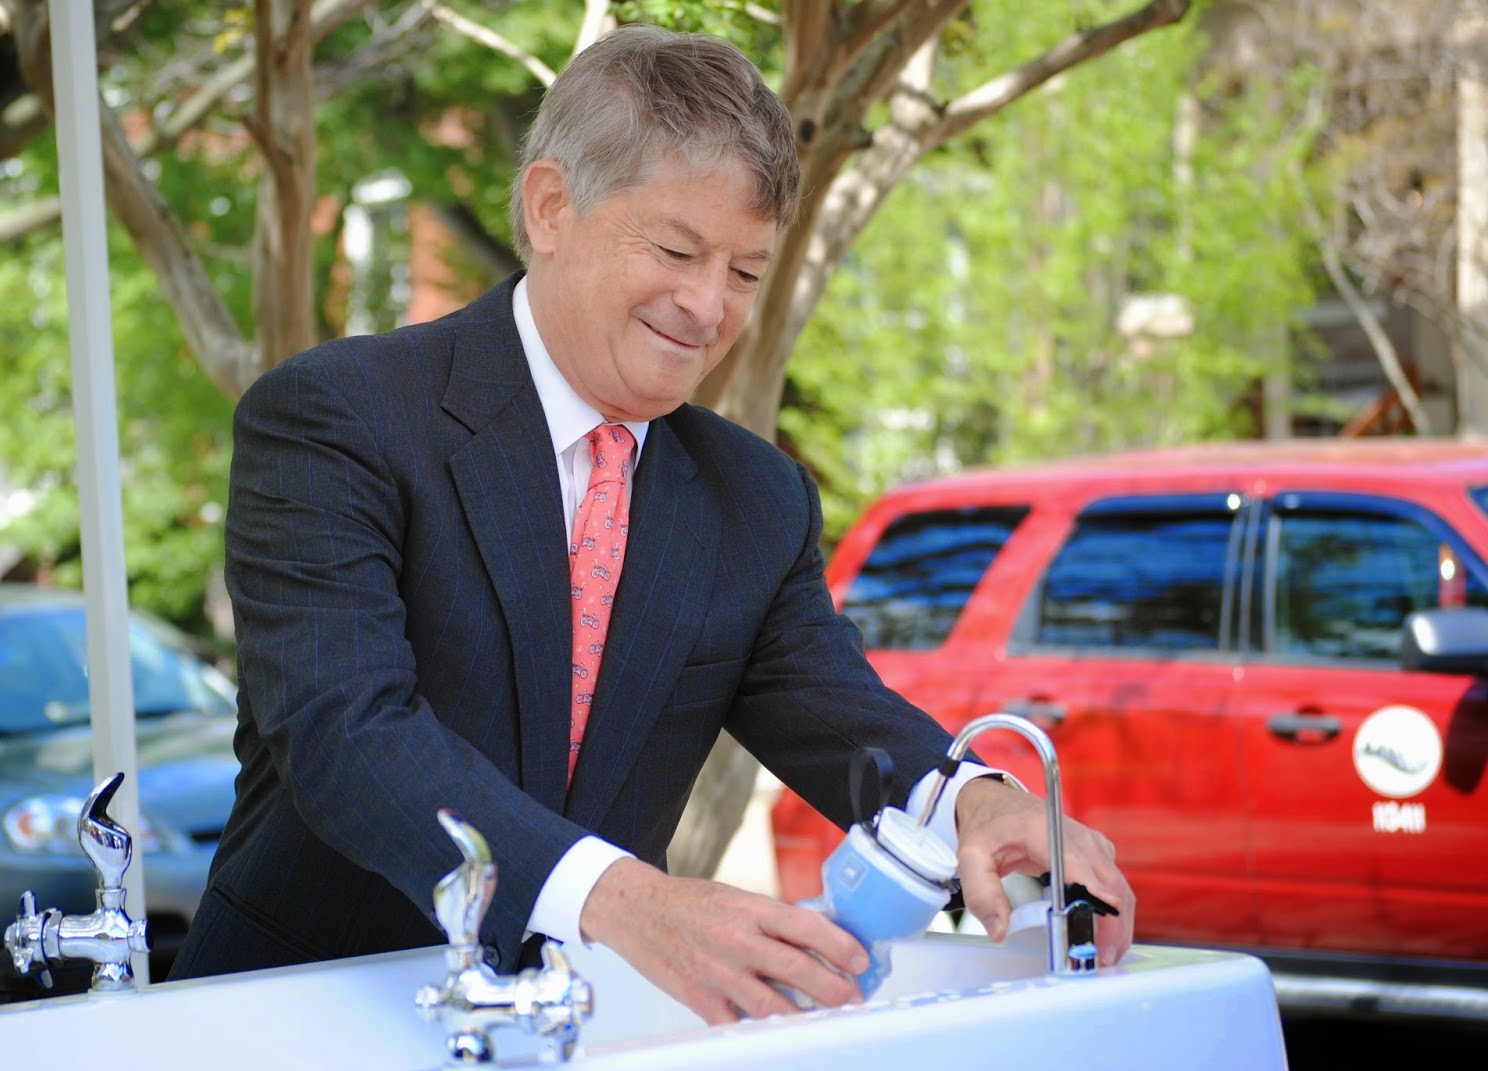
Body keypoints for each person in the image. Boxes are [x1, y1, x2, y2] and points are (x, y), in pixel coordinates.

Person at [168, 24, 1133, 1023]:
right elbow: (345, 732)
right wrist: (624, 900)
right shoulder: (340, 416)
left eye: (746, 273)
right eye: (676, 249)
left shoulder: (755, 498)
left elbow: (837, 712)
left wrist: (975, 802)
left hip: (593, 1027)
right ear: (551, 208)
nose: (709, 305)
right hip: (306, 1017)